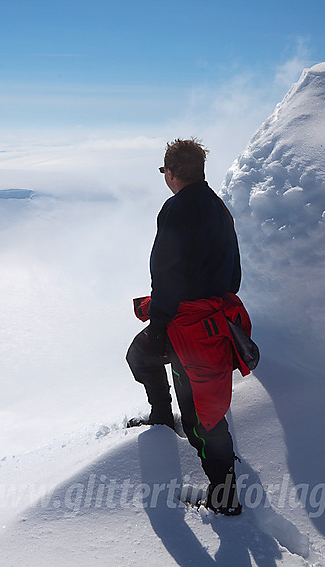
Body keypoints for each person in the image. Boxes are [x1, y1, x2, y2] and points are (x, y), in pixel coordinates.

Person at [126, 138, 253, 516]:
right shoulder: (218, 207)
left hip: (187, 325)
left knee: (200, 413)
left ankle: (225, 498)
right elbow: (234, 273)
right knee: (143, 359)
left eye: (164, 171)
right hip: (216, 317)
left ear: (172, 173)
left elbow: (165, 275)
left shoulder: (176, 209)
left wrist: (159, 326)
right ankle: (163, 418)